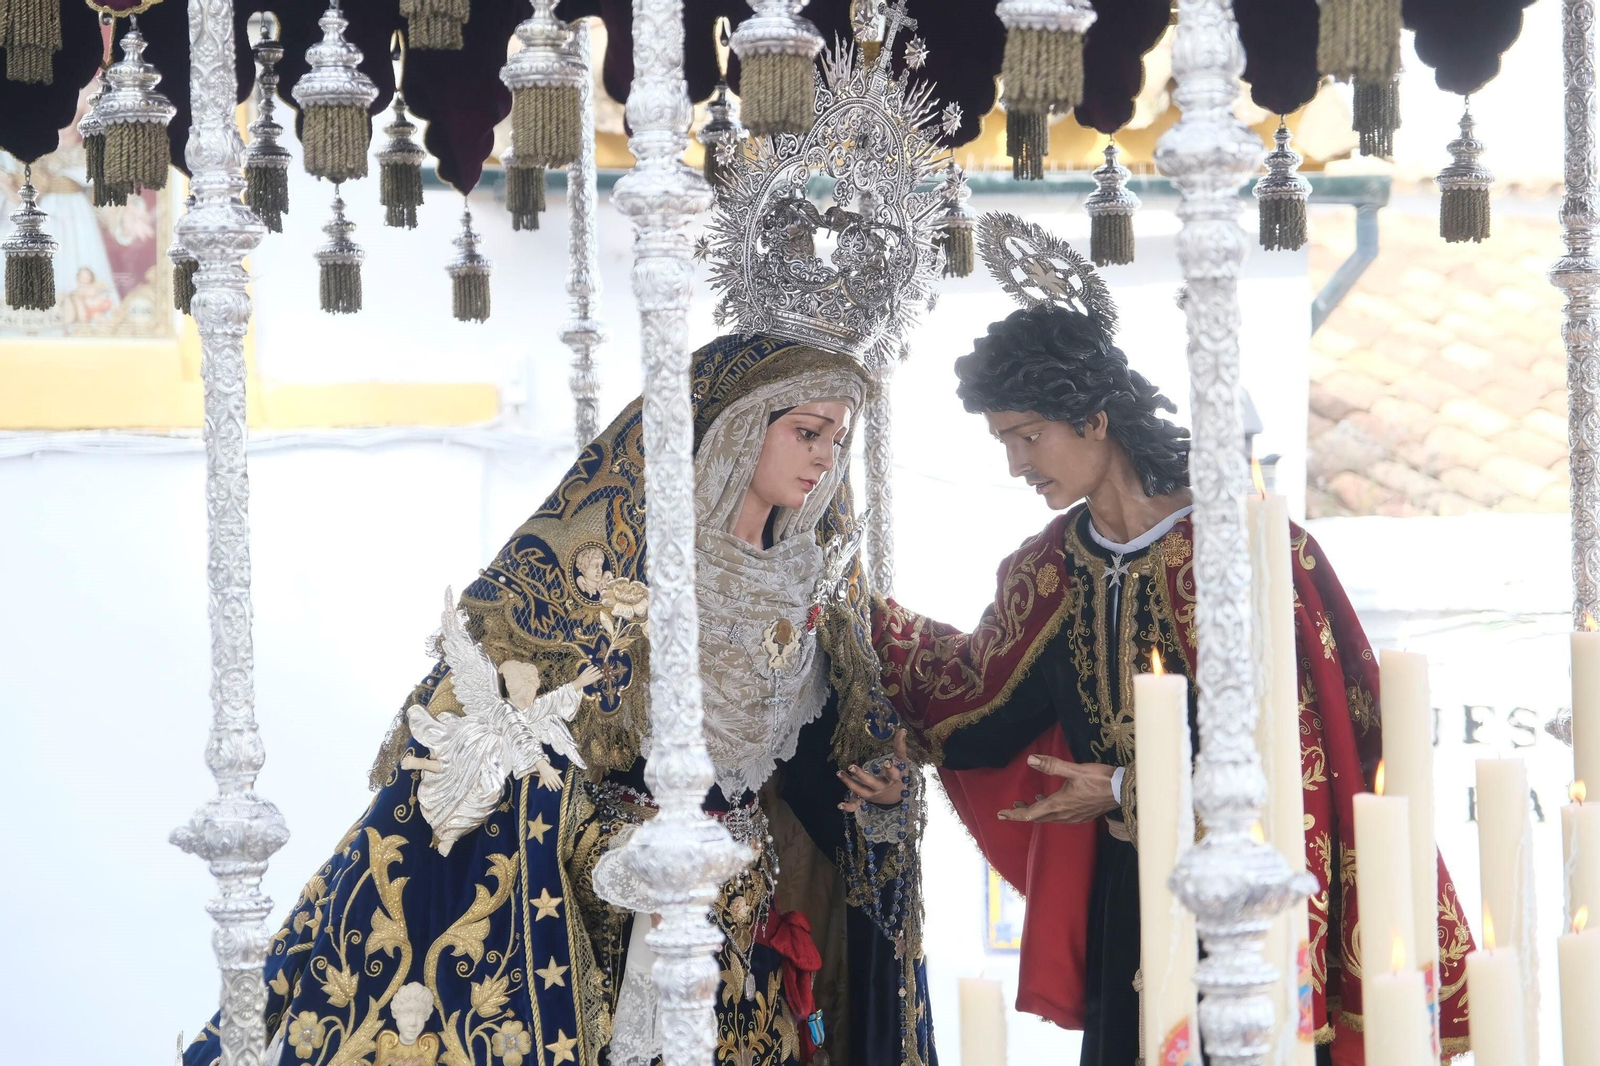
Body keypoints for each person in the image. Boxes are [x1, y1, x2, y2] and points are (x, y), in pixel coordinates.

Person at [183, 335, 934, 1066]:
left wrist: (877, 799)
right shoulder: (615, 582)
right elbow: (524, 757)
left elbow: (807, 763)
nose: (825, 457)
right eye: (807, 432)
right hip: (608, 917)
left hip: (741, 928)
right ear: (739, 429)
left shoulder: (815, 585)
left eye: (838, 439)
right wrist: (616, 855)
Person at [869, 218, 1473, 1066]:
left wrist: (1121, 783)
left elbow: (1300, 757)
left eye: (1027, 436)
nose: (1015, 465)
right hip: (1130, 901)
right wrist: (852, 615)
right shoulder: (1049, 570)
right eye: (1003, 442)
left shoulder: (1251, 557)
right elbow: (969, 697)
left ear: (1095, 419)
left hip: (1247, 903)